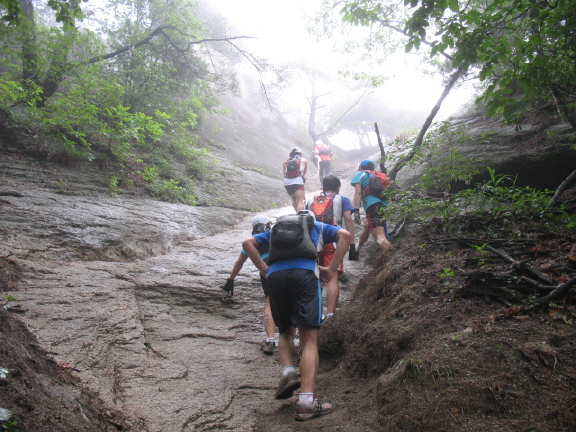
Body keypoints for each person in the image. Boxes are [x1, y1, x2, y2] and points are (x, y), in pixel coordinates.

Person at [242, 210, 351, 421]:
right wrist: (331, 268)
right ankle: (306, 403)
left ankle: (288, 371)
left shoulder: (276, 231)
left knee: (285, 331)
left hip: (275, 277)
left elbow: (248, 243)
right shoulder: (317, 227)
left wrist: (265, 269)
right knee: (309, 337)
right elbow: (345, 236)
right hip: (304, 275)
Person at [221, 215, 277, 354]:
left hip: (266, 270)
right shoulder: (276, 234)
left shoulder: (252, 242)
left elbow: (239, 263)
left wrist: (230, 280)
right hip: (283, 265)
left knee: (270, 303)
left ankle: (270, 340)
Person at [306, 175, 355, 319]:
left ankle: (315, 313)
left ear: (323, 186)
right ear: (338, 187)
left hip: (312, 242)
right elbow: (348, 219)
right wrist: (351, 243)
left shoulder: (310, 200)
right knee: (332, 278)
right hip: (332, 241)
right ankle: (330, 315)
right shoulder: (342, 199)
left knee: (313, 276)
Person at [350, 159, 392, 257]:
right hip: (384, 206)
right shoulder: (380, 175)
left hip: (373, 206)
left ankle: (393, 260)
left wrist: (356, 211)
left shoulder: (360, 174)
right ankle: (357, 249)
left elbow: (358, 193)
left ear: (360, 167)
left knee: (379, 237)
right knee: (367, 225)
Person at [283, 147, 307, 212]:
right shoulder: (303, 160)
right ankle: (300, 217)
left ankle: (297, 214)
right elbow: (304, 172)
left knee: (294, 199)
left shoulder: (285, 162)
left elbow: (284, 174)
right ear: (300, 154)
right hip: (297, 182)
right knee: (300, 201)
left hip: (287, 183)